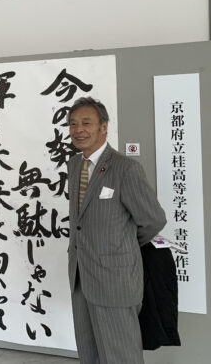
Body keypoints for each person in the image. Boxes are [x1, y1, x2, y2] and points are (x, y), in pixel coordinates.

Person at [66, 96, 166, 364]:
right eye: (73, 124)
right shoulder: (75, 165)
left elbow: (153, 220)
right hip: (81, 276)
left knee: (121, 355)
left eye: (86, 122)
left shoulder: (125, 168)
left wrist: (121, 247)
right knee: (89, 351)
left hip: (115, 279)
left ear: (104, 127)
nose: (78, 129)